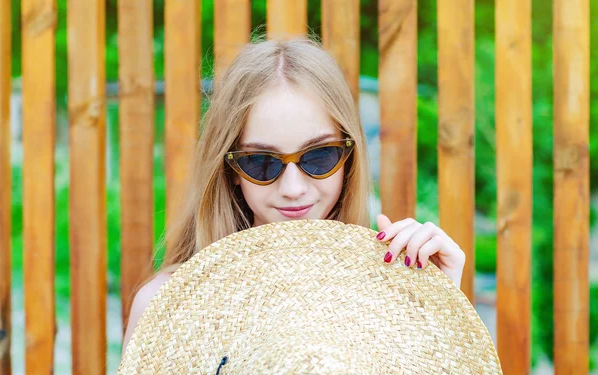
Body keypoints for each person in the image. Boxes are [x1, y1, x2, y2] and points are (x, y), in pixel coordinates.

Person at [122, 37, 466, 354]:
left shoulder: (392, 294)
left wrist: (440, 302)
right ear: (230, 170)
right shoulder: (165, 305)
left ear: (350, 157)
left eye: (319, 156)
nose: (293, 189)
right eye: (261, 162)